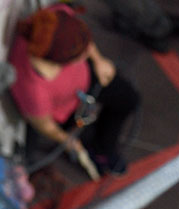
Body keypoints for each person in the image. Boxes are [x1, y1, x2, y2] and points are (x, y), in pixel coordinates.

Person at [8, 2, 140, 176]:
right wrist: (67, 140)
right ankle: (96, 150)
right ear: (57, 62)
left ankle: (102, 149)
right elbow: (45, 125)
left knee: (128, 99)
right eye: (79, 55)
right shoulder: (32, 91)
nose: (87, 54)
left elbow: (81, 35)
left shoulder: (53, 20)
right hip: (62, 112)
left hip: (82, 83)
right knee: (83, 135)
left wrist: (99, 61)